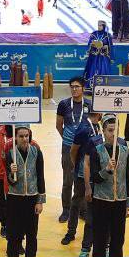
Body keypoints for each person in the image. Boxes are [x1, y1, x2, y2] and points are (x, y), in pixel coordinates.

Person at [86, 114, 129, 257]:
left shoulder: (125, 152)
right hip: (101, 201)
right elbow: (95, 178)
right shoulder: (96, 151)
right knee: (99, 239)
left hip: (120, 201)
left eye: (116, 130)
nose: (113, 134)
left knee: (118, 239)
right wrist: (107, 170)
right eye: (110, 130)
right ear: (103, 131)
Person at [64, 88, 104, 257]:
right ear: (98, 113)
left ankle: (92, 237)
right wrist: (76, 165)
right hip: (82, 172)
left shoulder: (99, 126)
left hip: (96, 172)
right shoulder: (83, 129)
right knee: (77, 200)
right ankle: (70, 232)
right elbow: (73, 150)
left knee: (92, 205)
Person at [0, 125, 44, 257]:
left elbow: (40, 177)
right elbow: (11, 182)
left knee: (32, 233)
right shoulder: (10, 154)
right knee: (13, 233)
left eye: (26, 136)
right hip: (14, 199)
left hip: (32, 198)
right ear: (16, 137)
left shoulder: (37, 152)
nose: (24, 139)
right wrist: (12, 172)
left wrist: (40, 201)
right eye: (21, 136)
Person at [57, 76, 91, 227]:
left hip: (84, 148)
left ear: (83, 88)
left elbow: (94, 123)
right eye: (72, 87)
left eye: (77, 86)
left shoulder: (89, 104)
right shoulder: (63, 104)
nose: (74, 89)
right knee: (68, 179)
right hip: (67, 146)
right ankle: (66, 209)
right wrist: (68, 139)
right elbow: (59, 125)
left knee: (82, 178)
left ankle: (82, 209)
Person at [83, 21, 115, 88]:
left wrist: (106, 47)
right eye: (98, 25)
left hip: (103, 57)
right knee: (92, 70)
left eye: (100, 25)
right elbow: (89, 44)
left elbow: (111, 46)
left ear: (104, 26)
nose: (99, 27)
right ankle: (91, 86)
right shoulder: (94, 34)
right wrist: (94, 45)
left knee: (103, 70)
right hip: (94, 57)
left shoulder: (107, 35)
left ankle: (103, 86)